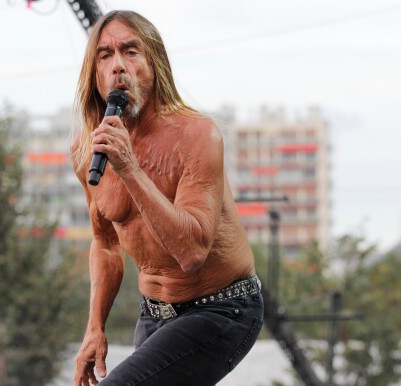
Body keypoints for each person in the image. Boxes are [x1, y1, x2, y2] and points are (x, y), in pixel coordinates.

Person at [70, 10, 264, 386]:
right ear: (94, 74)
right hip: (154, 313)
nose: (118, 67)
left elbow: (191, 254)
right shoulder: (87, 148)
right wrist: (94, 328)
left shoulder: (197, 135)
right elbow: (105, 242)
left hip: (224, 308)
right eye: (105, 56)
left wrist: (129, 167)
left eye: (131, 52)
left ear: (154, 64)